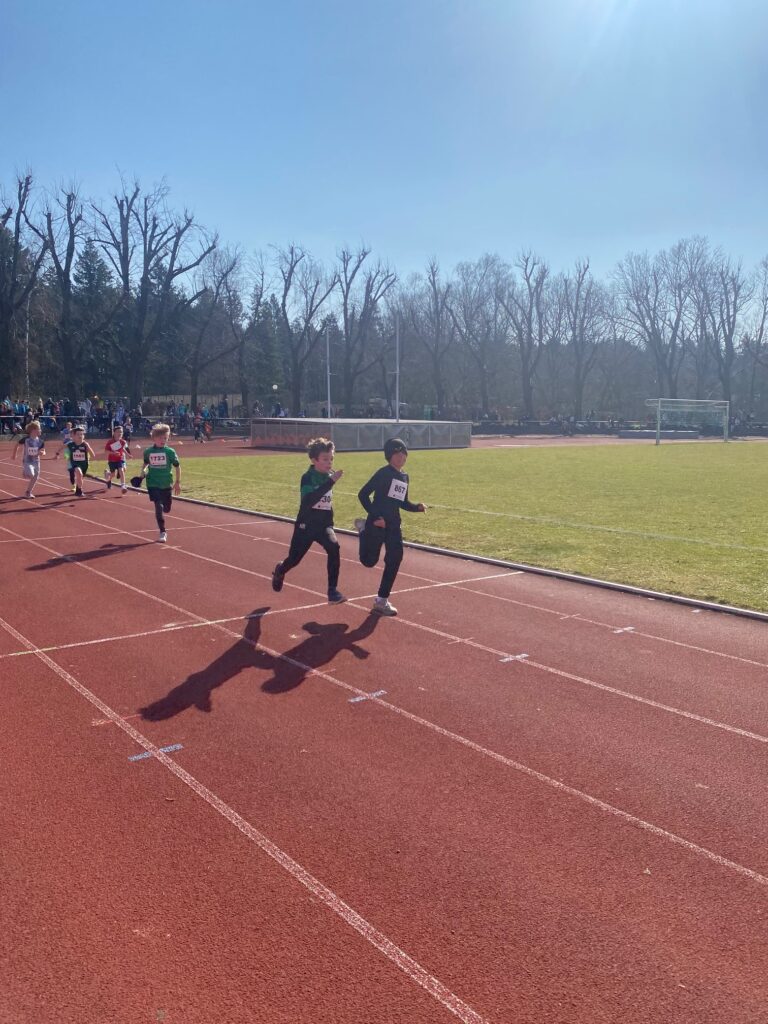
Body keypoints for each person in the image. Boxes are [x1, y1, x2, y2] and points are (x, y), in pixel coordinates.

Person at [354, 437, 426, 616]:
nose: (401, 457)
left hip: (393, 524)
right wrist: (376, 517)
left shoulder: (404, 476)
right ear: (389, 456)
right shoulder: (383, 473)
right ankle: (363, 530)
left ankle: (381, 600)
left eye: (403, 453)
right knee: (369, 562)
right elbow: (363, 495)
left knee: (395, 558)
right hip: (377, 523)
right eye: (397, 454)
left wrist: (416, 507)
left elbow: (402, 502)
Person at [271, 437, 346, 603]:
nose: (329, 462)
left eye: (331, 458)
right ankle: (281, 569)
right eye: (325, 459)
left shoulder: (330, 475)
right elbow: (309, 501)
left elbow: (326, 500)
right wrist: (330, 482)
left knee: (334, 547)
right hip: (305, 525)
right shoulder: (307, 477)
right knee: (294, 559)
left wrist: (329, 519)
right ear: (314, 460)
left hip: (323, 525)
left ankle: (332, 591)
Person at [141, 423, 181, 543]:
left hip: (166, 483)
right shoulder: (148, 451)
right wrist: (142, 474)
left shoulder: (170, 452)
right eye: (160, 438)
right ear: (154, 438)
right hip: (152, 483)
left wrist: (177, 482)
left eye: (165, 438)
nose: (163, 440)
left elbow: (177, 467)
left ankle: (164, 509)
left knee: (166, 508)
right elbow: (145, 464)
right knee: (158, 506)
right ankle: (163, 531)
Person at [12, 420, 46, 499]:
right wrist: (14, 455)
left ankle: (28, 492)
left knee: (35, 477)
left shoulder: (41, 441)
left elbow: (44, 451)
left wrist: (42, 453)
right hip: (27, 461)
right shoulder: (26, 439)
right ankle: (25, 471)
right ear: (33, 430)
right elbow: (17, 445)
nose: (41, 430)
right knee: (31, 474)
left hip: (36, 462)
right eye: (39, 429)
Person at [62, 426, 95, 497]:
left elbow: (93, 455)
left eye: (82, 434)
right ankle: (79, 490)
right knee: (79, 473)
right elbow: (62, 446)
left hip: (84, 464)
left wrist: (88, 448)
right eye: (78, 434)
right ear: (74, 436)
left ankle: (78, 490)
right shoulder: (71, 444)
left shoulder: (85, 444)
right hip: (75, 463)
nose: (80, 436)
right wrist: (57, 453)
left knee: (80, 478)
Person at [103, 423, 131, 494]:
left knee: (121, 470)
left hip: (119, 459)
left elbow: (123, 449)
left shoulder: (123, 442)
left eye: (121, 432)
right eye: (118, 432)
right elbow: (106, 451)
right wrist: (113, 453)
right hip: (112, 460)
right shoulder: (110, 442)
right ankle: (108, 475)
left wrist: (128, 454)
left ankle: (123, 486)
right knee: (113, 474)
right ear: (114, 433)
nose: (120, 433)